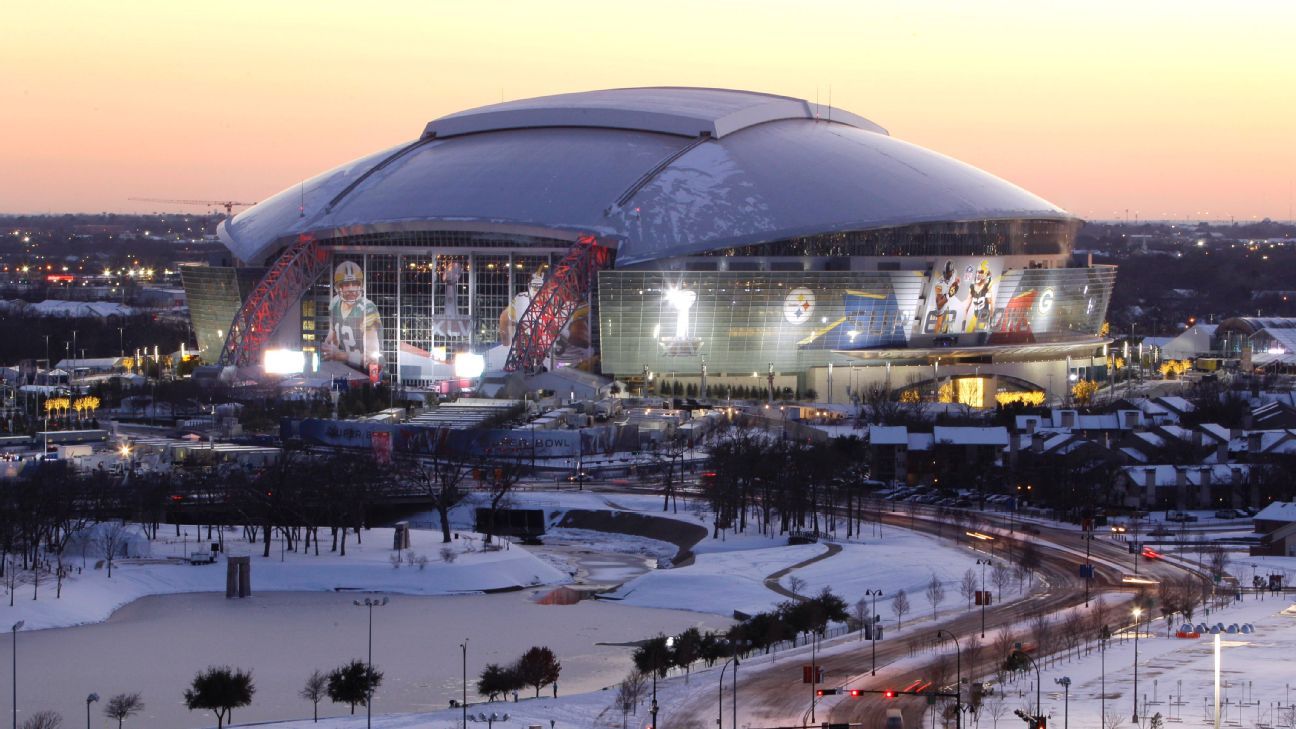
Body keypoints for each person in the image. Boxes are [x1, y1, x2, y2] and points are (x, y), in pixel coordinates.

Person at [322, 261, 383, 375]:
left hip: (368, 372)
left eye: (355, 283)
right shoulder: (334, 304)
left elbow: (372, 359)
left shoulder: (368, 309)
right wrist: (328, 348)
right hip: (345, 370)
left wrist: (340, 355)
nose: (351, 289)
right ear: (338, 287)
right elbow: (332, 337)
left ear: (360, 285)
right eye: (346, 284)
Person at [963, 260, 994, 332]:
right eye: (977, 271)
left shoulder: (988, 286)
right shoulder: (972, 286)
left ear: (986, 273)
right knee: (968, 332)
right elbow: (966, 308)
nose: (978, 274)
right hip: (975, 316)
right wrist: (963, 327)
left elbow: (991, 304)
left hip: (984, 318)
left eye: (981, 272)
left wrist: (990, 321)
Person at [931, 259, 961, 333]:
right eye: (946, 273)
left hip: (950, 298)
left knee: (949, 322)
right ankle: (934, 338)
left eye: (949, 273)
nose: (947, 275)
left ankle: (947, 332)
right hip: (942, 298)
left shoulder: (954, 273)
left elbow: (957, 279)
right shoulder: (939, 284)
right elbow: (939, 304)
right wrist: (948, 295)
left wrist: (957, 285)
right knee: (939, 323)